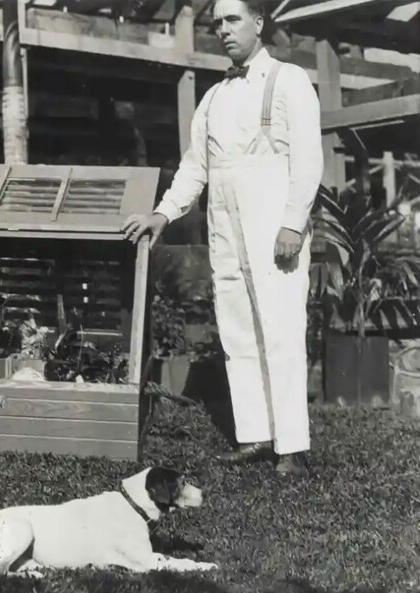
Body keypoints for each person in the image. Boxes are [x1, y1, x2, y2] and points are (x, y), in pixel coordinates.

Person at [123, 0, 323, 475]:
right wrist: (163, 214)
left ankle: (291, 445)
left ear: (258, 23)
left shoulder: (289, 80)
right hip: (224, 217)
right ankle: (256, 435)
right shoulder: (213, 97)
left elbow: (309, 159)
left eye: (233, 20)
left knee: (279, 326)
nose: (224, 31)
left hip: (272, 213)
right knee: (236, 327)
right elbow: (196, 168)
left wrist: (293, 222)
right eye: (218, 23)